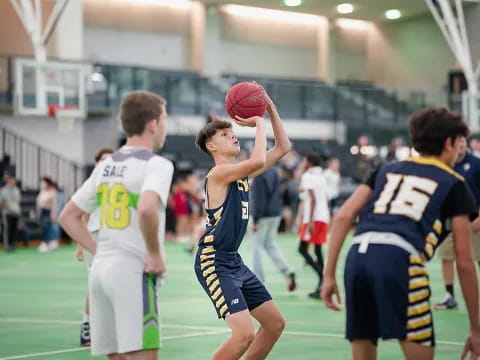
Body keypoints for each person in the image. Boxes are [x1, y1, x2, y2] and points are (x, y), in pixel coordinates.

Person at [322, 107, 480, 360]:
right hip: (399, 260)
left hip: (357, 257)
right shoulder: (454, 183)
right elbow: (464, 260)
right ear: (449, 143)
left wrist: (328, 275)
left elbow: (343, 216)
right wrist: (476, 327)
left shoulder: (386, 169)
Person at [59, 90, 173, 360]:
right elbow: (146, 208)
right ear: (153, 124)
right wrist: (155, 255)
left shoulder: (107, 165)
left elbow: (68, 216)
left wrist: (99, 251)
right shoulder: (157, 164)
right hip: (132, 273)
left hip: (100, 274)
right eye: (164, 119)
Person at [194, 88, 290, 360]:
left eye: (233, 132)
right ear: (211, 147)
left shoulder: (240, 174)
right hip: (214, 261)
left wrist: (269, 108)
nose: (233, 135)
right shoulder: (219, 174)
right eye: (225, 135)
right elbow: (259, 158)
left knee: (274, 324)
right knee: (243, 334)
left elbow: (283, 148)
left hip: (234, 261)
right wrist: (259, 122)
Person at [435, 136, 480, 310]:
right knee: (446, 257)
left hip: (473, 219)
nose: (460, 145)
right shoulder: (444, 164)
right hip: (448, 220)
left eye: (463, 142)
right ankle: (449, 295)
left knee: (477, 258)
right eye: (457, 142)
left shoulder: (476, 164)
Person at [75, 147, 114, 347]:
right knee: (95, 282)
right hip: (96, 235)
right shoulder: (92, 184)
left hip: (116, 236)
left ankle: (108, 325)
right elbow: (82, 214)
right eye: (103, 159)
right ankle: (87, 325)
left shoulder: (119, 182)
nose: (107, 162)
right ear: (97, 162)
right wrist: (81, 244)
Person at [250, 166, 296, 291]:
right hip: (275, 212)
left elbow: (259, 198)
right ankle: (287, 270)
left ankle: (258, 279)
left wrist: (256, 219)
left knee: (257, 246)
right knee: (270, 244)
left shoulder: (258, 173)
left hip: (262, 215)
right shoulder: (275, 170)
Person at [298, 152, 330, 299]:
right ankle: (322, 282)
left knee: (303, 249)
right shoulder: (322, 177)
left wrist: (310, 221)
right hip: (323, 217)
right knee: (317, 250)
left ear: (309, 162)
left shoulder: (307, 176)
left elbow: (312, 198)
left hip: (313, 218)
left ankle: (323, 279)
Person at [36, 176, 58, 253]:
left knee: (47, 228)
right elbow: (38, 203)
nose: (43, 184)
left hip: (48, 211)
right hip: (42, 211)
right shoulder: (42, 192)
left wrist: (53, 215)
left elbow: (54, 205)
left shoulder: (52, 192)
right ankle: (45, 243)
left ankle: (48, 243)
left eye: (44, 183)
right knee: (43, 228)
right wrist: (38, 213)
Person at [0, 174, 21, 252]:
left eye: (14, 180)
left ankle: (13, 244)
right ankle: (7, 245)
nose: (13, 181)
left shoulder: (17, 190)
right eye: (11, 180)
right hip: (7, 213)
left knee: (14, 229)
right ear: (8, 180)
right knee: (7, 229)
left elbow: (18, 202)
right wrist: (6, 208)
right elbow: (1, 203)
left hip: (16, 212)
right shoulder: (3, 190)